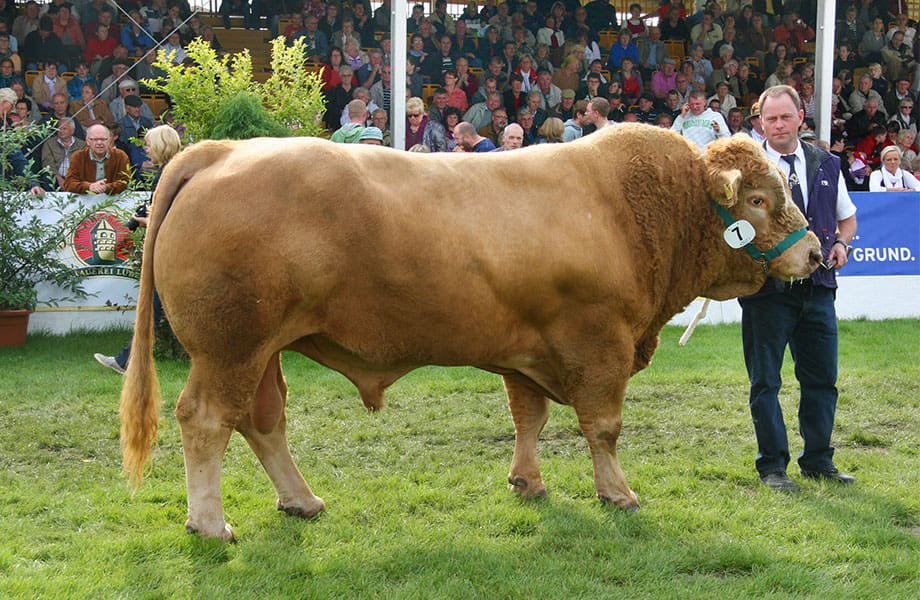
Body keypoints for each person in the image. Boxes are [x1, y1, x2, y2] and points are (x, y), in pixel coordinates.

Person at [740, 85, 858, 492]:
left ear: (800, 118)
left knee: (822, 379)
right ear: (760, 122)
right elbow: (730, 229)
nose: (777, 125)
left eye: (784, 117)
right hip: (767, 293)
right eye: (769, 119)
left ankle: (819, 460)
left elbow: (847, 218)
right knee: (765, 383)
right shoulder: (748, 172)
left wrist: (842, 243)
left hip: (820, 288)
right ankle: (773, 467)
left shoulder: (826, 163)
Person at [94, 125, 182, 375]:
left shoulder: (167, 173)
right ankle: (127, 360)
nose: (145, 149)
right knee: (153, 307)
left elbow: (162, 214)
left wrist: (142, 222)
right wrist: (136, 221)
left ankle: (127, 361)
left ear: (161, 145)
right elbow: (153, 205)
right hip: (172, 249)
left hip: (169, 249)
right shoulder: (172, 170)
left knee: (152, 307)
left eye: (148, 144)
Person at [62, 124, 130, 194]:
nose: (99, 143)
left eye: (103, 139)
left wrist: (106, 187)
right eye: (95, 139)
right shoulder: (78, 157)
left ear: (109, 140)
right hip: (85, 202)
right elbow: (69, 184)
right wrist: (89, 186)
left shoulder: (120, 156)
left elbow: (126, 182)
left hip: (115, 202)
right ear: (87, 141)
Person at [41, 115, 85, 189]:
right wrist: (59, 178)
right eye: (59, 128)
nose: (61, 131)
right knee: (46, 176)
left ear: (72, 131)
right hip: (56, 177)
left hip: (75, 177)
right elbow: (47, 164)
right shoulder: (49, 143)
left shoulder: (82, 145)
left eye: (64, 129)